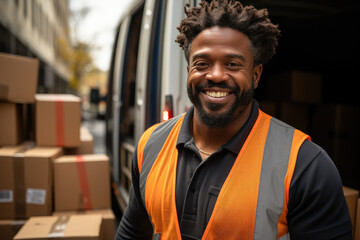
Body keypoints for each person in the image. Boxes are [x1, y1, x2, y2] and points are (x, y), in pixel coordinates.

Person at [115, 0, 352, 239]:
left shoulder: (305, 165)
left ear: (256, 75)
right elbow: (132, 233)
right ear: (189, 71)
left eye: (232, 64)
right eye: (202, 64)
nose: (216, 75)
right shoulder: (151, 144)